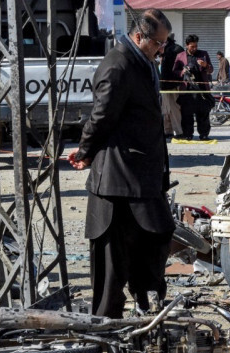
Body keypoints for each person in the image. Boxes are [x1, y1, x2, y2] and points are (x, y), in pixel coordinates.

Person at [67, 9, 174, 319]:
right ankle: (105, 326)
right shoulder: (118, 65)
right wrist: (85, 150)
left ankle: (145, 304)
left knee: (157, 236)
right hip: (116, 177)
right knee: (112, 262)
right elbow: (101, 116)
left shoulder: (144, 62)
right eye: (157, 43)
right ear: (138, 36)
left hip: (142, 176)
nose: (160, 50)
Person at [173, 34, 214, 140]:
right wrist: (182, 72)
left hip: (201, 89)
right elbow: (175, 71)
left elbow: (211, 70)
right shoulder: (180, 56)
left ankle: (204, 134)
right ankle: (187, 134)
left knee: (203, 113)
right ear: (187, 45)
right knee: (187, 114)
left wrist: (205, 65)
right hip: (187, 90)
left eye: (196, 46)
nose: (194, 48)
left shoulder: (203, 54)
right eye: (192, 46)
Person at [161, 33, 184, 138]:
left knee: (173, 108)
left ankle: (178, 131)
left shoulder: (175, 49)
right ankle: (168, 131)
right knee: (166, 109)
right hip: (165, 84)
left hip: (173, 84)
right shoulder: (165, 48)